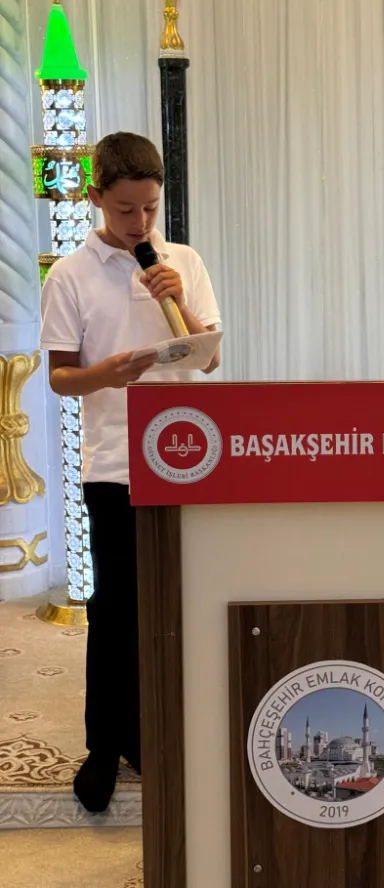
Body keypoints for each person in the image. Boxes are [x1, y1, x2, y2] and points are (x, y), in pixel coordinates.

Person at [40, 132, 222, 813]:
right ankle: (104, 744)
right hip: (115, 462)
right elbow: (61, 377)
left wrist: (183, 304)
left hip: (187, 457)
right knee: (115, 607)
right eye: (124, 210)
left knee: (175, 601)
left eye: (149, 208)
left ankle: (153, 730)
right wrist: (107, 374)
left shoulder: (184, 262)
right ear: (96, 198)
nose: (140, 223)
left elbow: (209, 358)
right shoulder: (70, 275)